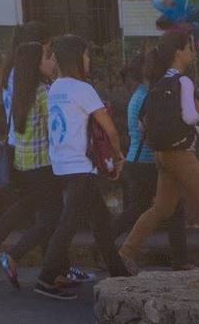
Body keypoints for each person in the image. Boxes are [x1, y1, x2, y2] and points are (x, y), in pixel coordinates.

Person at [33, 33, 133, 300]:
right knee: (67, 224)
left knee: (100, 220)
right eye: (87, 55)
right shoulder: (83, 89)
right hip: (81, 164)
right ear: (78, 58)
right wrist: (118, 154)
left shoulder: (55, 87)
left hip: (62, 162)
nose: (89, 60)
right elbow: (108, 128)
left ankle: (118, 271)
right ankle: (44, 279)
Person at [121, 30, 199, 271]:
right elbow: (189, 117)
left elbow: (144, 121)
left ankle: (126, 252)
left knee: (161, 208)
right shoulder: (183, 81)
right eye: (189, 48)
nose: (192, 53)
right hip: (180, 153)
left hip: (161, 153)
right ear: (178, 52)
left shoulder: (158, 83)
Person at [0, 38, 62, 285]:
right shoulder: (43, 93)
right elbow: (56, 128)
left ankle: (55, 268)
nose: (53, 61)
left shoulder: (21, 92)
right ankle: (14, 255)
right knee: (52, 218)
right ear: (36, 63)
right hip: (42, 164)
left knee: (37, 209)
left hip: (24, 163)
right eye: (48, 57)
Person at [119, 42, 188, 272]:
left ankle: (180, 260)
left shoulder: (141, 94)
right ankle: (110, 244)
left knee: (164, 209)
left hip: (139, 161)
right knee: (153, 210)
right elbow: (146, 130)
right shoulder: (147, 96)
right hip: (145, 162)